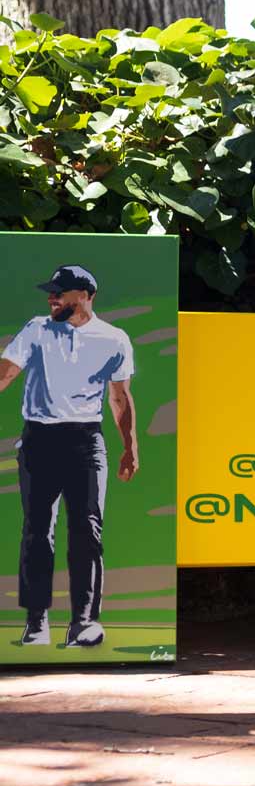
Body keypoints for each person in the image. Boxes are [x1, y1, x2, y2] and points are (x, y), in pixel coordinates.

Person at [0, 265, 140, 648]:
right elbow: (5, 374)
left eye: (60, 292)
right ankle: (36, 623)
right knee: (37, 532)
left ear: (85, 295)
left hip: (86, 441)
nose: (52, 298)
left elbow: (119, 397)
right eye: (51, 292)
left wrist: (130, 447)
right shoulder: (36, 330)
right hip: (39, 439)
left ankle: (84, 623)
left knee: (87, 531)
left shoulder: (114, 339)